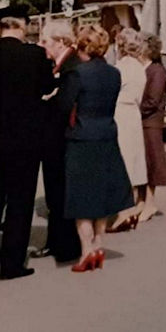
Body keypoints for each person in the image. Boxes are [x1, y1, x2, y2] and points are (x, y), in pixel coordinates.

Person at [59, 25, 134, 272]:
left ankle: (86, 251)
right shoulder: (114, 74)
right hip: (107, 135)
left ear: (83, 47)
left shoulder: (78, 74)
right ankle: (99, 244)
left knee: (81, 198)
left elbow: (64, 106)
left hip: (82, 138)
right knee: (102, 195)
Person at [0, 16, 54, 279]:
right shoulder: (34, 55)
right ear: (20, 29)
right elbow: (47, 87)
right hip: (24, 140)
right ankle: (11, 263)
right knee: (20, 203)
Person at [31, 20, 82, 262]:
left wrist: (44, 100)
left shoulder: (71, 67)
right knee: (55, 194)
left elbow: (64, 105)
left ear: (60, 42)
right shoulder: (61, 65)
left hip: (61, 141)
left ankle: (65, 246)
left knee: (60, 193)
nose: (42, 46)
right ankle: (57, 243)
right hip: (56, 141)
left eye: (46, 41)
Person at [108, 28, 148, 232]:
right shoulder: (139, 68)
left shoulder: (119, 68)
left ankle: (122, 212)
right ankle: (130, 207)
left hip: (120, 114)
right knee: (132, 161)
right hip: (133, 114)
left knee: (121, 161)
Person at [139, 33, 166, 222]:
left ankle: (150, 203)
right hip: (144, 123)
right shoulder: (147, 69)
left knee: (152, 164)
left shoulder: (156, 70)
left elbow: (152, 100)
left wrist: (134, 109)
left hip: (151, 123)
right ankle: (142, 201)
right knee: (143, 164)